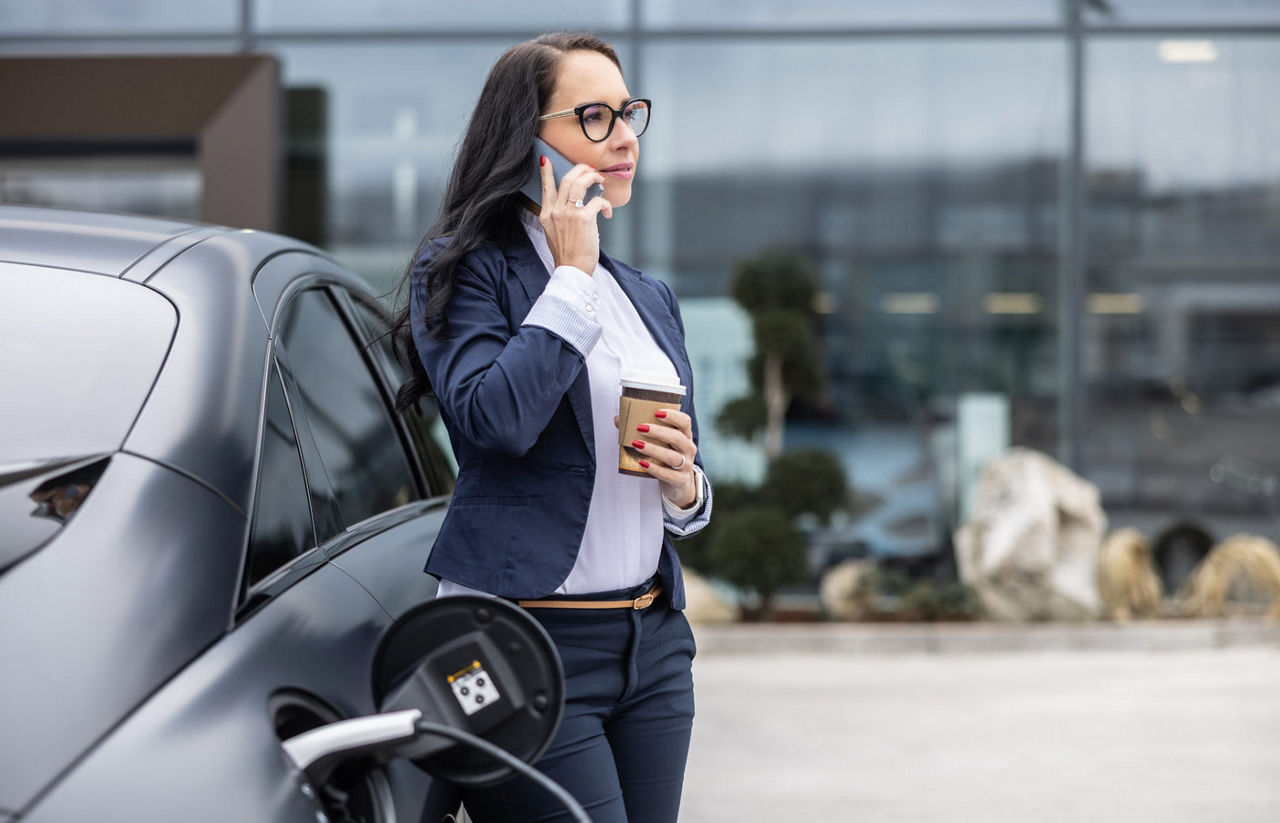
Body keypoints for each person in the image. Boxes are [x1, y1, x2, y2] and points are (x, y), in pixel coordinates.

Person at [388, 32, 713, 823]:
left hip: (652, 644)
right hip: (523, 643)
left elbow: (683, 482)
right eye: (594, 117)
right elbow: (496, 419)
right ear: (527, 139)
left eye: (629, 112)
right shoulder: (465, 269)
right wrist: (569, 277)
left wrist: (686, 487)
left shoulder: (648, 297)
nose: (625, 135)